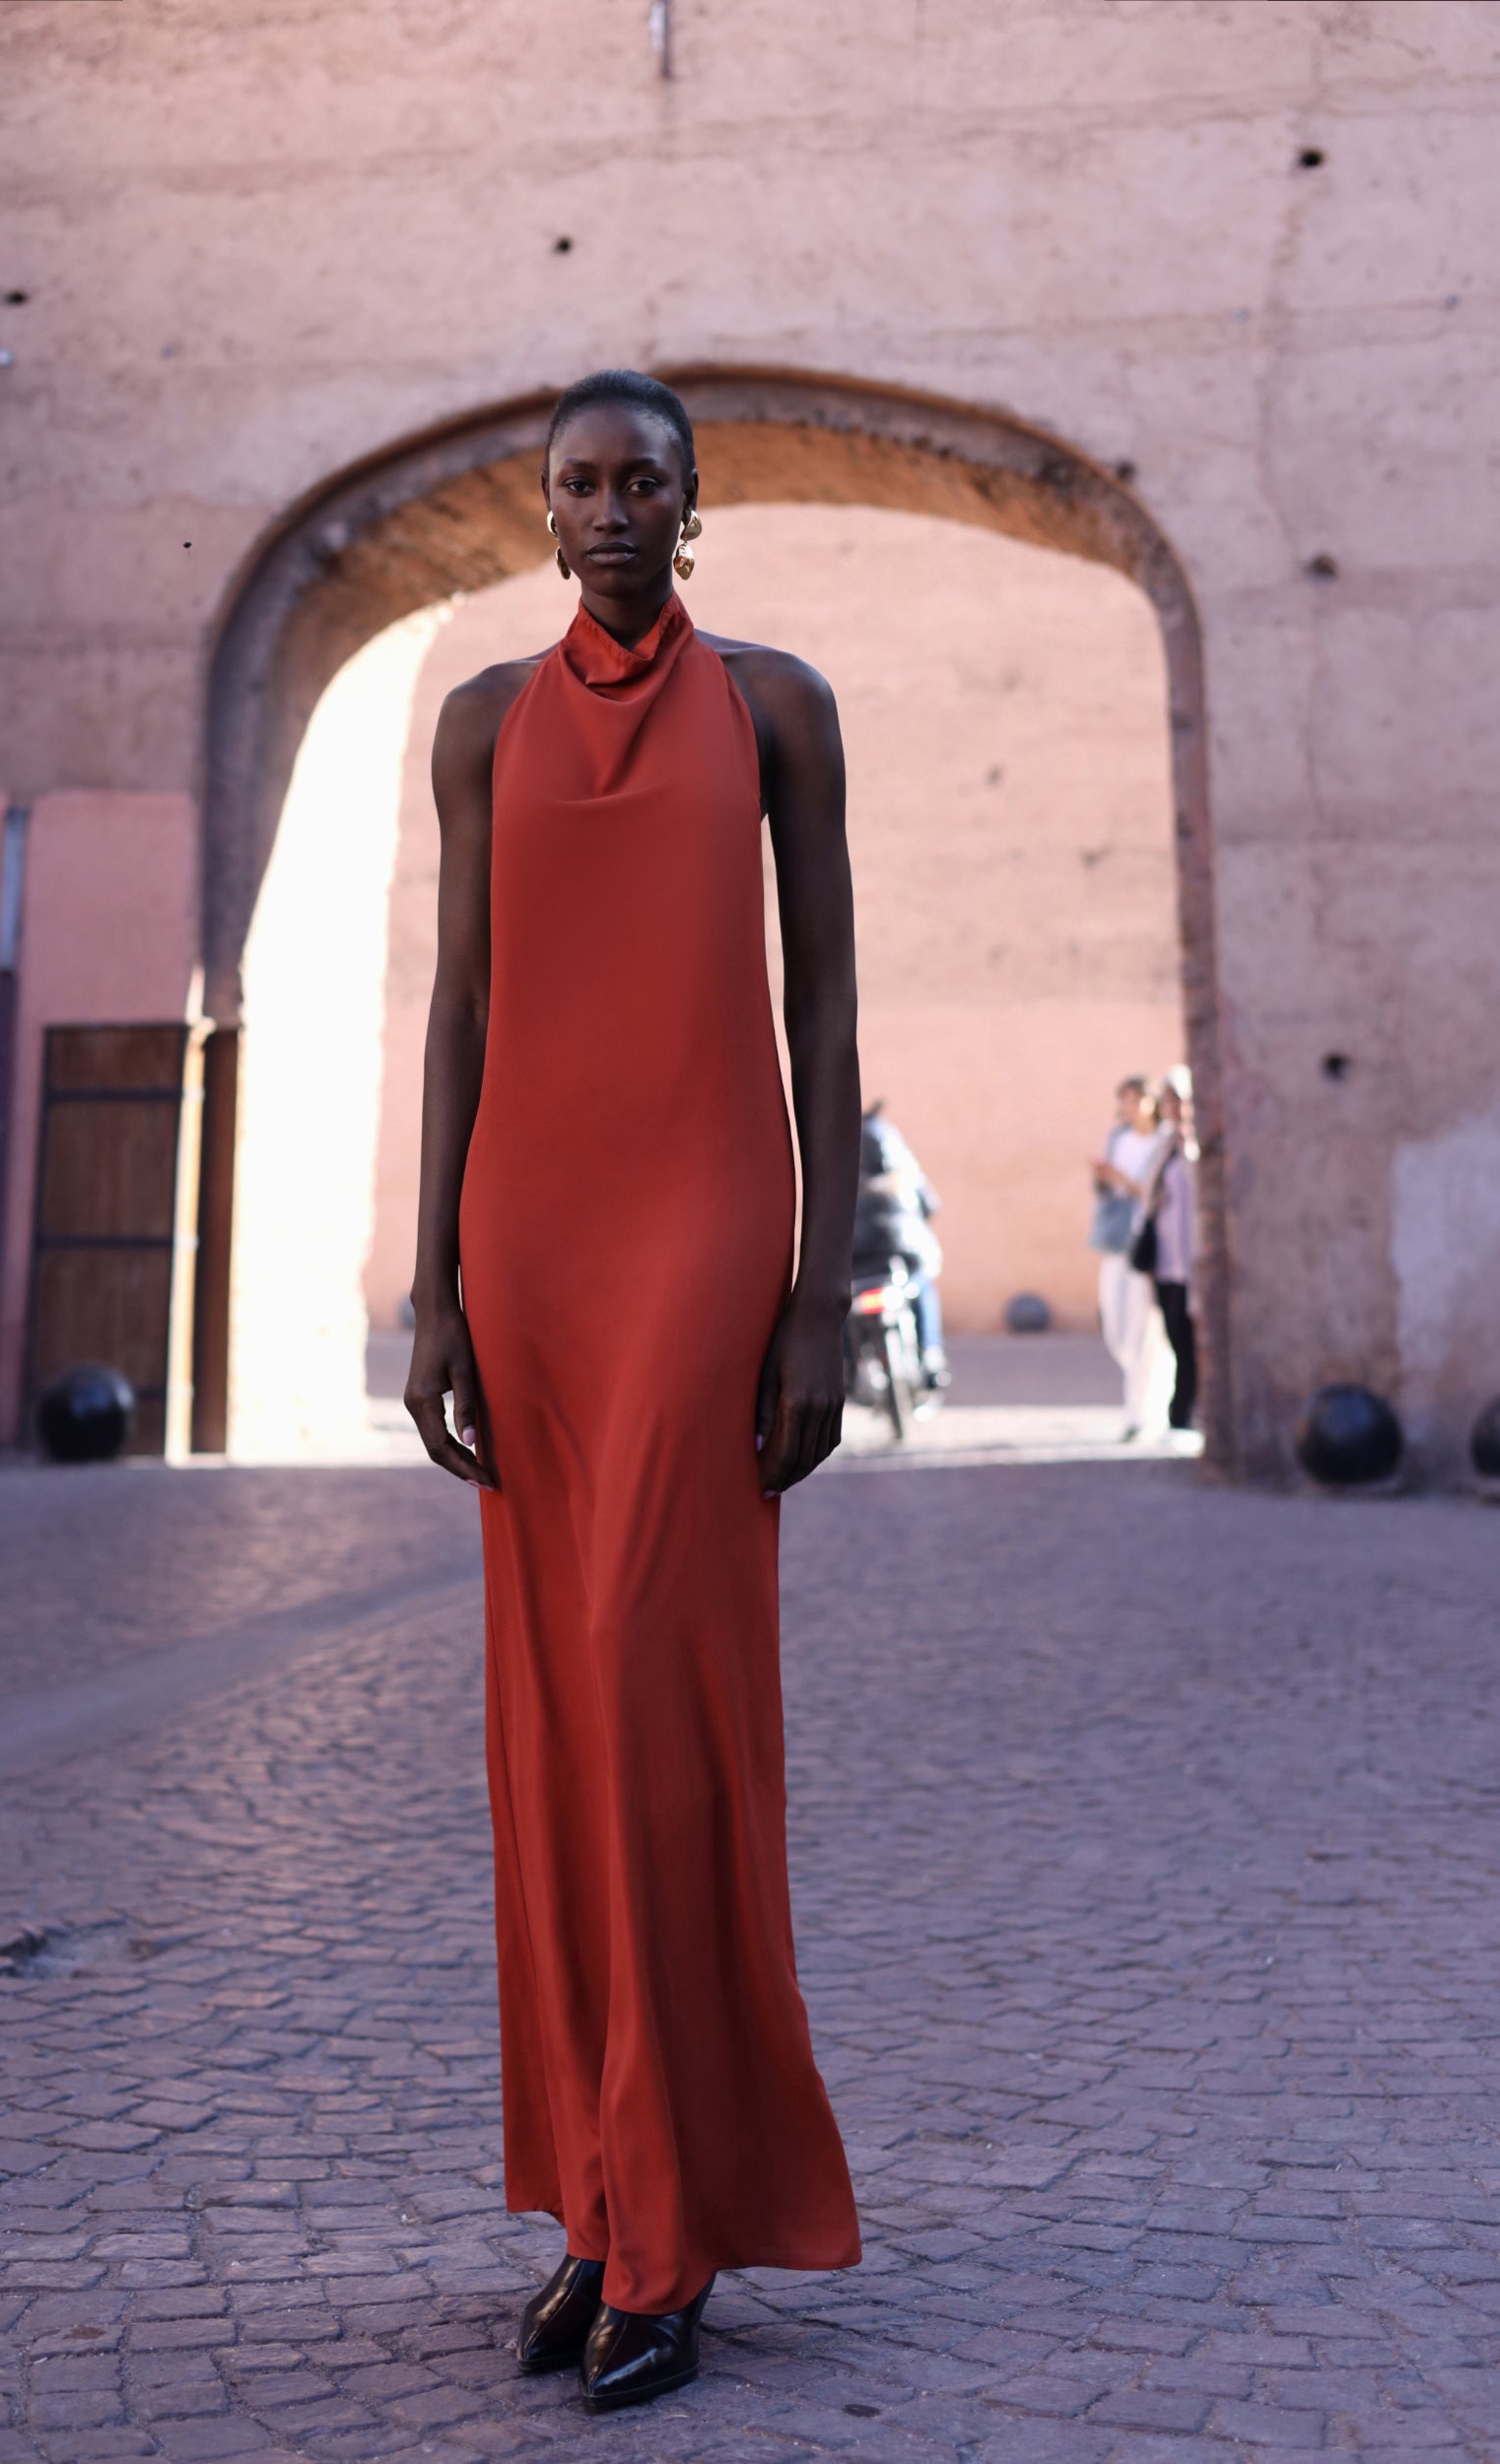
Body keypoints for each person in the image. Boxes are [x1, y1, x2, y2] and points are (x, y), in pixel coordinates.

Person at [405, 370, 861, 2416]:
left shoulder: (774, 705)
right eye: (576, 481)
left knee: (651, 1702)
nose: (607, 508)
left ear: (694, 504)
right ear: (543, 506)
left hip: (697, 1224)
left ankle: (671, 2224)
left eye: (641, 483)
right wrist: (432, 1289)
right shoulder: (480, 721)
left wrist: (816, 1292)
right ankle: (597, 2198)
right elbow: (462, 1009)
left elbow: (822, 993)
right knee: (554, 1730)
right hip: (529, 1235)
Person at [852, 1097, 948, 1384]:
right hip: (903, 1242)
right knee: (920, 1285)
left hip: (854, 1247)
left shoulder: (836, 1149)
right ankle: (931, 1354)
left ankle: (848, 1367)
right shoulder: (897, 1151)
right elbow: (929, 1204)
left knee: (843, 1298)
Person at [1089, 1076, 1165, 1439]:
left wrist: (1123, 1179)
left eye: (1136, 1100)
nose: (1130, 1108)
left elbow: (1151, 1192)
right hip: (1116, 1241)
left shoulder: (1163, 1142)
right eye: (1125, 1101)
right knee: (1116, 1328)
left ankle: (1142, 1414)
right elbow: (1105, 1191)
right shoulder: (1118, 1138)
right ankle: (1140, 1408)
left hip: (1147, 1245)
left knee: (1143, 1331)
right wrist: (1104, 1178)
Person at [1143, 1068, 1198, 1433]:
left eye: (1177, 1100)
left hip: (1194, 1264)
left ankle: (1184, 1418)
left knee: (1195, 1344)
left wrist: (1187, 1147)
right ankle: (1178, 1419)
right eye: (1167, 1101)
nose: (1172, 1108)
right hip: (1166, 1262)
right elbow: (1146, 1198)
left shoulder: (1196, 1145)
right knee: (1176, 1340)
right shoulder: (1162, 1147)